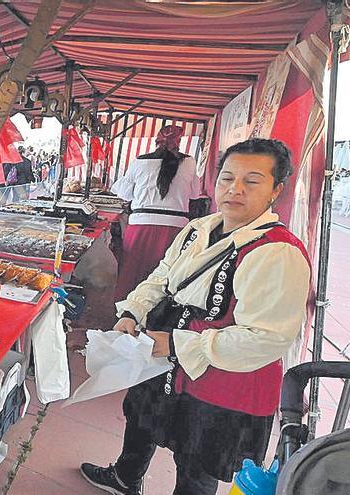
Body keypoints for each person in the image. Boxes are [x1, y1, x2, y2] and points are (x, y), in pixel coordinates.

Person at [81, 138, 311, 495]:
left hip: (220, 378)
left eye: (251, 181)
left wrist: (176, 344)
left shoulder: (278, 253)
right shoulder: (196, 230)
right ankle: (125, 479)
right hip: (163, 355)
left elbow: (266, 338)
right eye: (227, 178)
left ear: (275, 190)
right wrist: (132, 311)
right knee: (141, 420)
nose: (234, 190)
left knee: (197, 462)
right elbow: (161, 277)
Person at [110, 125, 203, 302]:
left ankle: (126, 312)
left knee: (133, 272)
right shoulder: (189, 162)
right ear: (179, 142)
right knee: (167, 274)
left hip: (141, 225)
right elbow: (194, 195)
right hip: (176, 228)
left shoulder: (140, 161)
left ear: (156, 141)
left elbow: (123, 193)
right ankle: (160, 314)